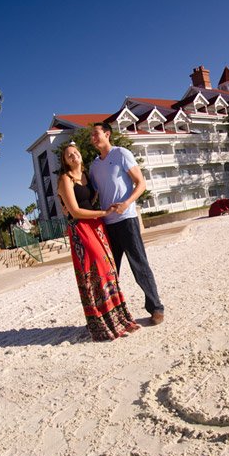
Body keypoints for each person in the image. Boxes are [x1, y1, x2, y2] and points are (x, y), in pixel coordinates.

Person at [57, 143, 140, 341]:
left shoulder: (88, 177)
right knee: (94, 273)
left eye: (76, 152)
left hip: (98, 226)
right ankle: (102, 324)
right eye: (69, 155)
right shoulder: (65, 179)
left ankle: (120, 318)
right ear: (65, 161)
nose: (74, 156)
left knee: (109, 270)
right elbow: (75, 211)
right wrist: (103, 213)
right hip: (81, 228)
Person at [88, 122, 165, 325]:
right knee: (110, 270)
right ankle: (112, 311)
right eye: (91, 135)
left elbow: (141, 183)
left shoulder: (121, 153)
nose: (93, 138)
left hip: (126, 219)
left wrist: (126, 203)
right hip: (107, 224)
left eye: (96, 134)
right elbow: (94, 194)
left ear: (107, 134)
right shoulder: (94, 166)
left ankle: (156, 308)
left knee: (139, 264)